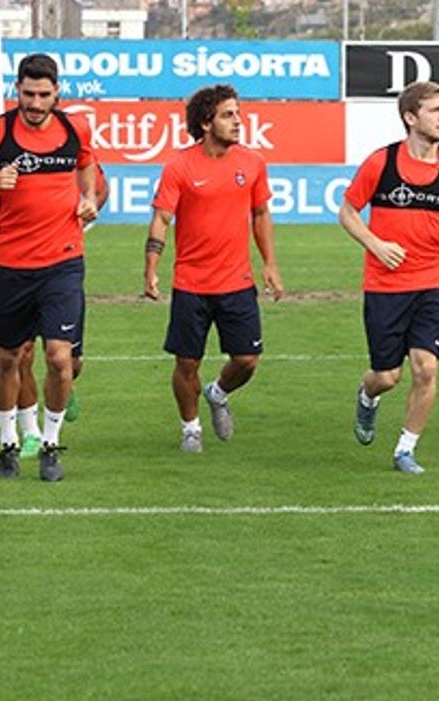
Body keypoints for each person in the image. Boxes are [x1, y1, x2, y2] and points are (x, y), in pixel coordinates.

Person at [0, 53, 99, 481]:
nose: (35, 103)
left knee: (59, 358)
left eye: (43, 94)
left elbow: (87, 164)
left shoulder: (75, 128)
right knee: (8, 359)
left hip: (63, 262)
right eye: (28, 94)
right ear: (16, 90)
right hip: (10, 265)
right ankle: (8, 443)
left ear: (57, 93)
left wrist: (88, 198)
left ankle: (50, 445)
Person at [340, 82, 439, 474]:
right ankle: (367, 396)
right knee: (387, 376)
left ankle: (405, 449)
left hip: (432, 284)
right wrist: (375, 244)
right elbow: (347, 212)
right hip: (385, 287)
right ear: (410, 117)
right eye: (436, 110)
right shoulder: (381, 163)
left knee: (425, 368)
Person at [144, 84, 283, 453]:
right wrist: (151, 267)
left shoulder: (252, 163)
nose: (238, 121)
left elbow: (261, 214)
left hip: (237, 281)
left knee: (247, 360)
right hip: (191, 283)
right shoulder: (180, 166)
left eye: (238, 114)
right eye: (228, 115)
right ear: (206, 123)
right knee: (187, 363)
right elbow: (162, 219)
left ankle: (218, 392)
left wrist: (270, 263)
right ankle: (190, 428)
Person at [0, 163, 108, 458]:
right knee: (19, 355)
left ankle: (64, 390)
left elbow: (99, 188)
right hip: (16, 267)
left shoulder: (72, 151)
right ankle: (31, 431)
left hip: (61, 266)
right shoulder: (8, 155)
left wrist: (88, 205)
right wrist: (21, 217)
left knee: (67, 361)